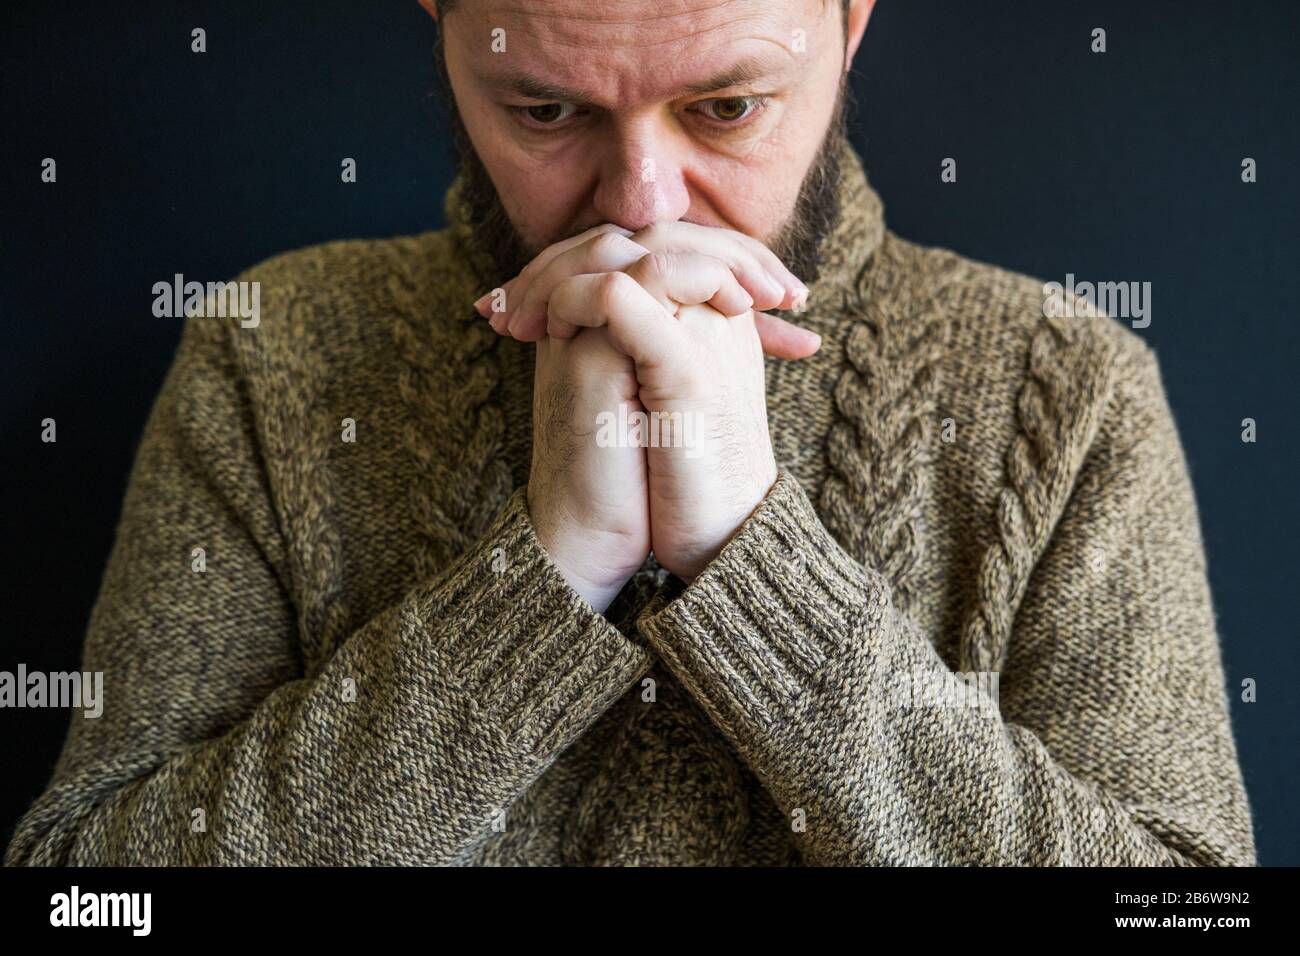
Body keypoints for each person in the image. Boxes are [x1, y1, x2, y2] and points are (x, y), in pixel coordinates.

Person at [7, 0, 1255, 866]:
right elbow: (87, 897)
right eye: (545, 111)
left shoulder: (1063, 383)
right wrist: (543, 576)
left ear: (849, 24)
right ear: (443, 33)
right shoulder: (273, 347)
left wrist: (758, 570)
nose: (636, 206)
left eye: (724, 107)